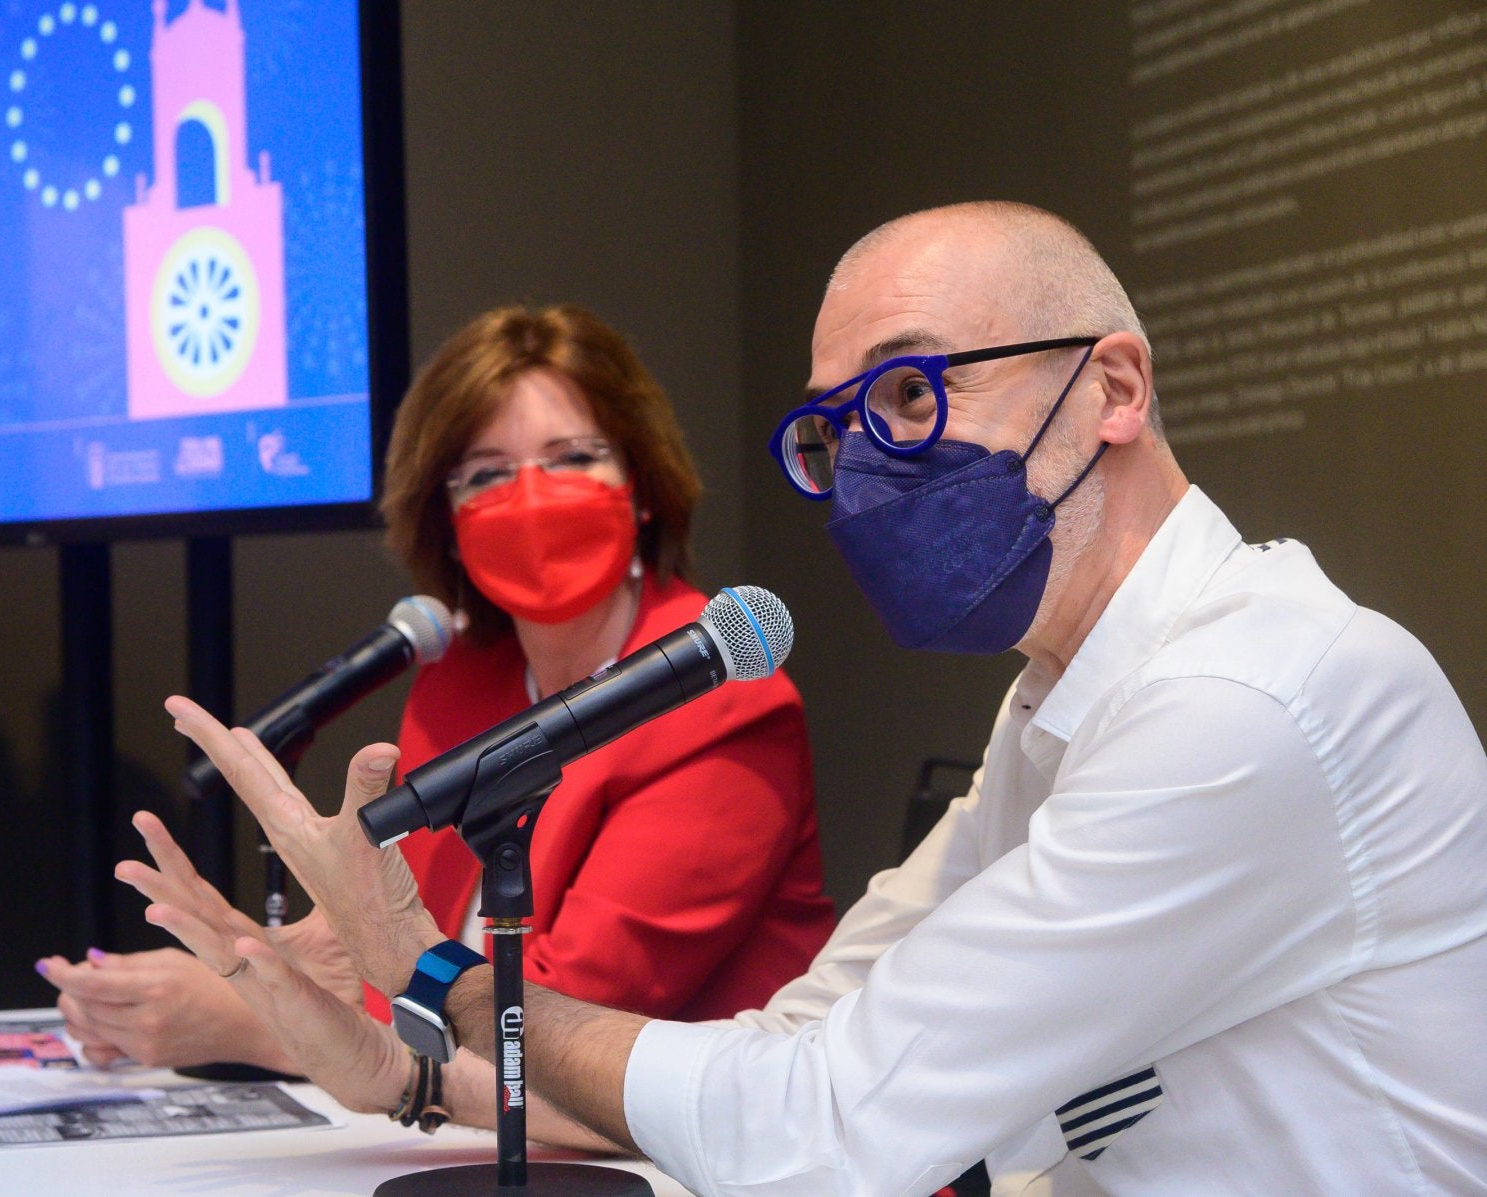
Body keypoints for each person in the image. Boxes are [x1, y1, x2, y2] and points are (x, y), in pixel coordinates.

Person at [151, 203, 1487, 1194]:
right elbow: (806, 1034)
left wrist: (430, 970)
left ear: (1116, 388)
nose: (863, 470)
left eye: (911, 391)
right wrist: (404, 1070)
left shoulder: (1246, 702)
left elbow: (822, 1125)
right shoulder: (1062, 698)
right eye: (833, 431)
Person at [38, 304, 834, 1080]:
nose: (532, 495)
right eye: (487, 473)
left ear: (641, 484)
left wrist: (260, 1023)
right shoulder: (461, 682)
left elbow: (568, 1014)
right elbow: (395, 937)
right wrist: (252, 967)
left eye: (573, 457)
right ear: (447, 519)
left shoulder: (721, 694)